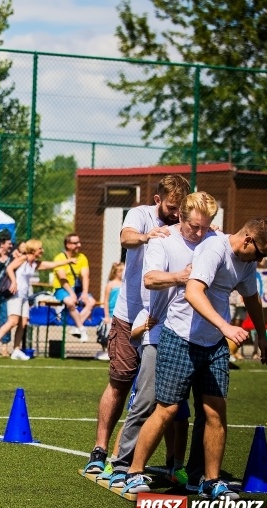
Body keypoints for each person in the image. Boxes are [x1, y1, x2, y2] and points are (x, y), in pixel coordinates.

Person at [124, 217, 267, 500]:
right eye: (260, 253)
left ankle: (211, 480)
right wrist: (225, 327)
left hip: (213, 343)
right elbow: (194, 292)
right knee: (167, 410)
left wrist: (263, 336)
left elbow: (252, 298)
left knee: (215, 411)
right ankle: (134, 473)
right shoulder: (214, 249)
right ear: (247, 240)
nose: (260, 259)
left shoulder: (247, 262)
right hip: (180, 337)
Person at [104, 192, 219, 491]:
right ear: (181, 217)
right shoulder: (163, 240)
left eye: (205, 227)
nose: (199, 232)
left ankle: (187, 473)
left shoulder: (212, 240)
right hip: (158, 333)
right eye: (194, 226)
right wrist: (181, 276)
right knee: (146, 402)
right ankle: (122, 465)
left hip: (197, 338)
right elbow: (150, 279)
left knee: (190, 413)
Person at [83, 174, 190, 475]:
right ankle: (100, 450)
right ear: (158, 200)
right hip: (129, 316)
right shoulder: (141, 214)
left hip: (164, 322)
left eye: (180, 207)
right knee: (119, 383)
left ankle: (173, 464)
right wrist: (148, 236)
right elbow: (126, 237)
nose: (175, 212)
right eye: (171, 206)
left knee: (168, 394)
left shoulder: (184, 224)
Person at [0, 239, 75, 360]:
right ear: (33, 249)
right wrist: (13, 282)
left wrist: (68, 261)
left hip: (24, 296)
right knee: (13, 321)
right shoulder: (24, 259)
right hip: (15, 295)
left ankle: (16, 350)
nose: (42, 250)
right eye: (40, 248)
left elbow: (52, 265)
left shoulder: (35, 263)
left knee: (23, 323)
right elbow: (9, 268)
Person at [52, 233, 96, 343]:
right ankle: (82, 329)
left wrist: (85, 293)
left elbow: (85, 276)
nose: (79, 245)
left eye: (79, 242)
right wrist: (72, 293)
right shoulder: (59, 258)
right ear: (68, 245)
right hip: (62, 288)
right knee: (70, 302)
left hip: (78, 288)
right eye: (76, 243)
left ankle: (76, 327)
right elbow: (62, 279)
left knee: (91, 302)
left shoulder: (82, 257)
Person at [96, 262, 124, 361]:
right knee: (109, 335)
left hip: (122, 313)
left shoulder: (125, 284)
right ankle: (108, 352)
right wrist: (107, 315)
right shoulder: (110, 284)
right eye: (121, 271)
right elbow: (106, 301)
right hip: (112, 313)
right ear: (116, 272)